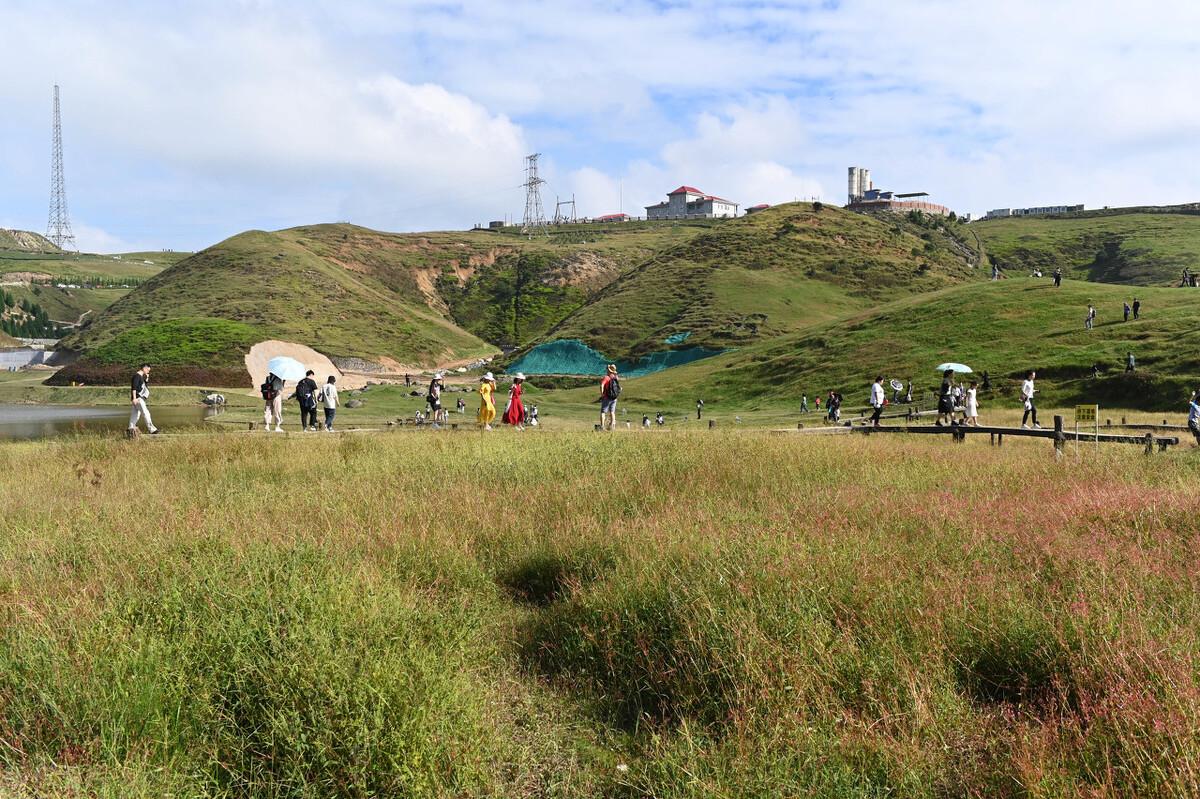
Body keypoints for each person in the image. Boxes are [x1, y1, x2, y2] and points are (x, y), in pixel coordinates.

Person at [128, 363, 159, 435]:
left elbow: (143, 386)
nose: (148, 372)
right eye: (148, 370)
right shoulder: (137, 376)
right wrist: (134, 398)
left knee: (135, 414)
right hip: (138, 398)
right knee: (146, 413)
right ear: (144, 368)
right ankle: (152, 429)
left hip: (138, 398)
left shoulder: (140, 376)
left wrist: (147, 378)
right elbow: (134, 388)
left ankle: (131, 428)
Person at [599, 365, 620, 431]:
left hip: (607, 397)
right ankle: (612, 426)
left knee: (603, 412)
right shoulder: (615, 377)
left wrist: (602, 394)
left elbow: (601, 385)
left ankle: (602, 427)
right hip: (614, 398)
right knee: (612, 412)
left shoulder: (606, 377)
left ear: (608, 370)